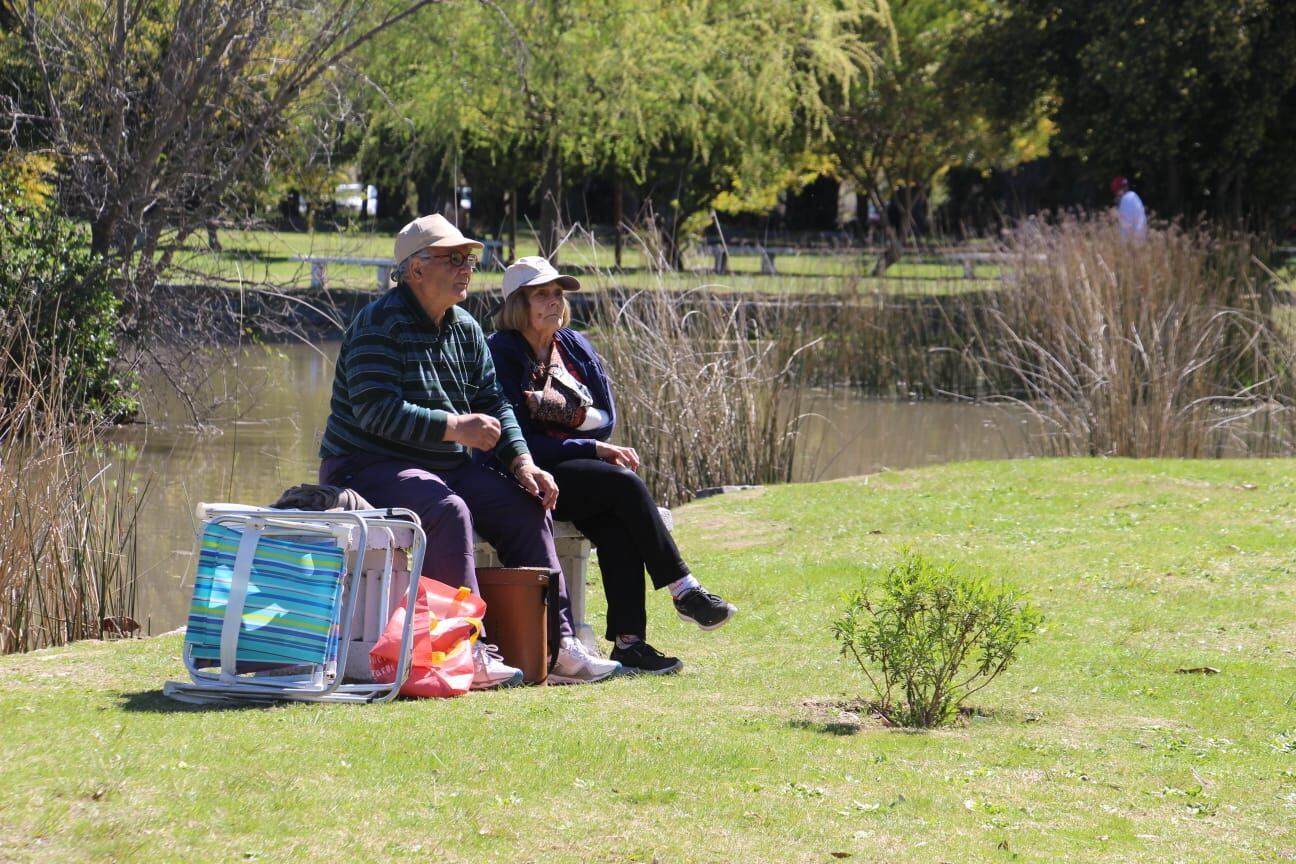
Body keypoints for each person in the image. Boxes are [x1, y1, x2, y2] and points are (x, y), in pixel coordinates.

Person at [318, 215, 622, 689]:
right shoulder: (377, 325)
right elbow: (377, 412)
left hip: (441, 465)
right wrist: (456, 427)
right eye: (453, 259)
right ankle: (465, 650)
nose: (467, 269)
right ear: (415, 270)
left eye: (470, 259)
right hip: (365, 467)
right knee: (447, 510)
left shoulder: (464, 328)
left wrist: (522, 461)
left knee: (526, 505)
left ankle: (556, 646)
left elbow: (493, 403)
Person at [485, 256, 737, 676]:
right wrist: (588, 443)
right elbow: (517, 441)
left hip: (569, 469)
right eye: (541, 295)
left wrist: (570, 426)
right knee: (623, 485)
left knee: (617, 516)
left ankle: (629, 643)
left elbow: (608, 417)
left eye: (558, 294)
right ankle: (683, 589)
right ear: (517, 303)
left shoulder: (574, 345)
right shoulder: (502, 352)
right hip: (521, 475)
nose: (554, 303)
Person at [1111, 175, 1147, 240]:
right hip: (1139, 240)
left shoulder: (1126, 199)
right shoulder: (1133, 196)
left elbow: (1127, 225)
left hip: (1132, 243)